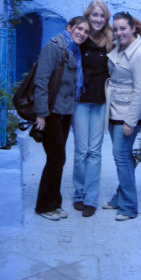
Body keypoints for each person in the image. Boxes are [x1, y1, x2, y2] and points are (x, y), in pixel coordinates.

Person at [33, 16, 90, 221]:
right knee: (57, 158)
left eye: (86, 31)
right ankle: (44, 206)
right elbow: (41, 81)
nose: (82, 33)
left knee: (56, 158)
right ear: (69, 27)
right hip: (51, 112)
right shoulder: (55, 47)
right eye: (79, 28)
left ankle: (53, 204)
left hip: (65, 112)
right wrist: (41, 114)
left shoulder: (73, 50)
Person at [103, 11, 141, 221]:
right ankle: (119, 196)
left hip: (128, 115)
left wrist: (130, 122)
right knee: (123, 157)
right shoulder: (117, 48)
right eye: (116, 28)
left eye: (123, 28)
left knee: (121, 156)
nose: (119, 32)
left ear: (133, 28)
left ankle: (129, 207)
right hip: (115, 109)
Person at [72, 0, 113, 217]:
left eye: (102, 16)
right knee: (81, 152)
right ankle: (78, 194)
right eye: (94, 15)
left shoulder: (110, 41)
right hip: (80, 102)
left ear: (106, 19)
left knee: (94, 152)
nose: (97, 19)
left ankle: (90, 198)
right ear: (88, 16)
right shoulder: (80, 39)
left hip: (100, 103)